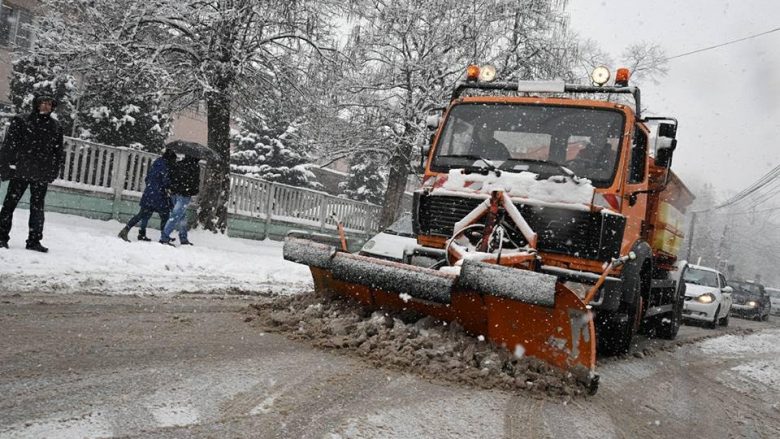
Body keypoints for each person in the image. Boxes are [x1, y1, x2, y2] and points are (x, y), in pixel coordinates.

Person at [0, 95, 64, 252]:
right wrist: (5, 165)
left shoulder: (55, 126)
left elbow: (57, 152)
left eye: (49, 104)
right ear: (36, 104)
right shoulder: (22, 120)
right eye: (43, 103)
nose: (46, 106)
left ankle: (34, 240)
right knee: (9, 204)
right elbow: (10, 144)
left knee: (37, 208)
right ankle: (1, 237)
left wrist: (53, 170)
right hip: (21, 170)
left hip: (41, 173)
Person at [118, 149, 176, 242]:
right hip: (159, 196)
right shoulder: (165, 167)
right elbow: (166, 182)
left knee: (142, 214)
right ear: (170, 159)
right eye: (174, 160)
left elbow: (147, 178)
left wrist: (152, 187)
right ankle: (164, 237)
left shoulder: (156, 164)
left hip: (149, 193)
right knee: (165, 215)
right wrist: (170, 184)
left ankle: (129, 231)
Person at [160, 155, 200, 246]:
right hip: (184, 195)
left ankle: (183, 238)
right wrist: (193, 191)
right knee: (175, 216)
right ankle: (164, 237)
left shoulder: (178, 164)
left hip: (174, 193)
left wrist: (172, 188)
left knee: (181, 217)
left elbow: (170, 177)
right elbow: (195, 182)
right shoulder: (195, 166)